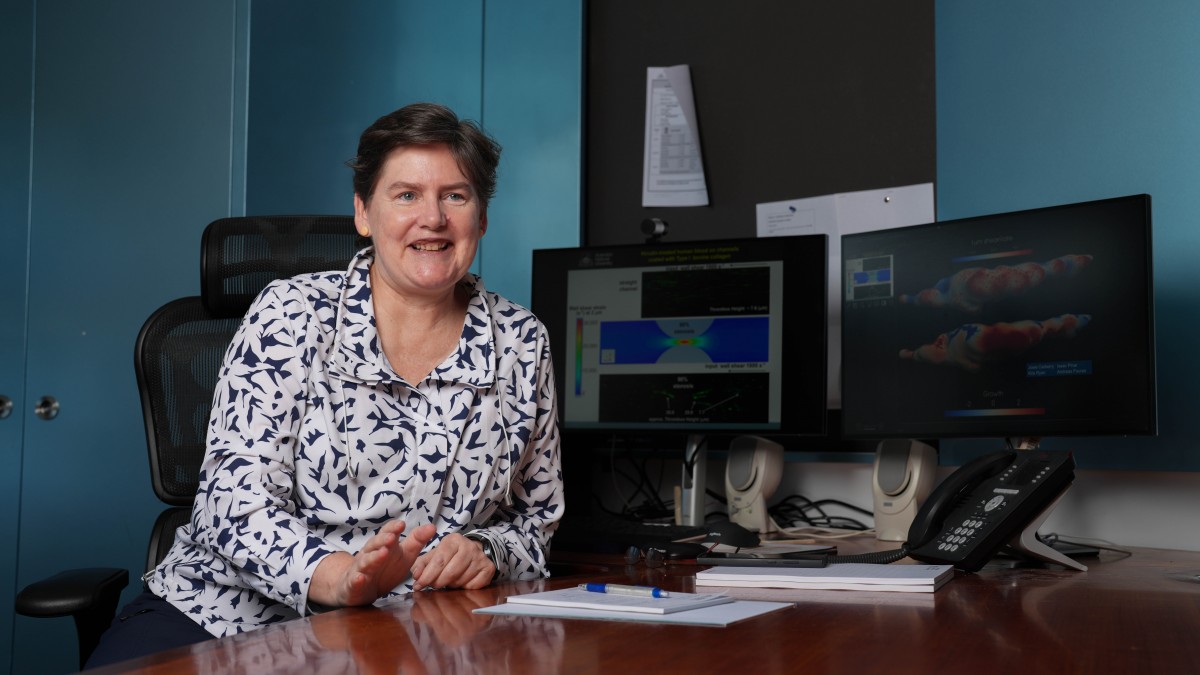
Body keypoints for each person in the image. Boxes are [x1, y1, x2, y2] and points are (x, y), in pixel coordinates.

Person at [87, 102, 564, 666]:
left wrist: (486, 551)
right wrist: (340, 578)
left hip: (418, 632)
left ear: (481, 217)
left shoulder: (521, 341)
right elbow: (230, 505)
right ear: (364, 212)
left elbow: (536, 523)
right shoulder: (290, 313)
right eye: (406, 195)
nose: (432, 218)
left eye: (455, 195)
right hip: (225, 613)